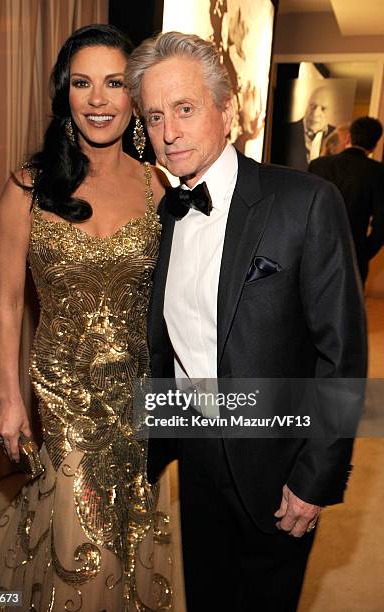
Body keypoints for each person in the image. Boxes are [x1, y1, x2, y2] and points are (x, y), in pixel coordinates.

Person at [125, 32, 366, 612]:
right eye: (155, 116)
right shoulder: (160, 216)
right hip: (197, 457)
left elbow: (343, 357)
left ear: (226, 111)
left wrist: (316, 477)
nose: (170, 131)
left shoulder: (305, 202)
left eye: (185, 109)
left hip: (278, 458)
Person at [0, 25, 172, 611]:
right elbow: (4, 302)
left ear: (135, 95)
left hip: (135, 388)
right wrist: (8, 396)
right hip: (64, 385)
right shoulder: (28, 185)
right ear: (64, 93)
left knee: (124, 519)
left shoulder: (157, 185)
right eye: (82, 83)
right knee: (83, 532)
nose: (98, 99)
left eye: (114, 83)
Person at [309, 116, 384, 284]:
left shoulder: (318, 165)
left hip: (312, 250)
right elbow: (381, 224)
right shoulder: (378, 173)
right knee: (348, 308)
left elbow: (301, 209)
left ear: (349, 137)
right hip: (353, 254)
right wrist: (363, 252)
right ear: (374, 145)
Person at [274, 86, 335, 171]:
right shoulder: (286, 130)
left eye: (323, 108)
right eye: (313, 106)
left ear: (331, 112)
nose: (316, 113)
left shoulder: (336, 134)